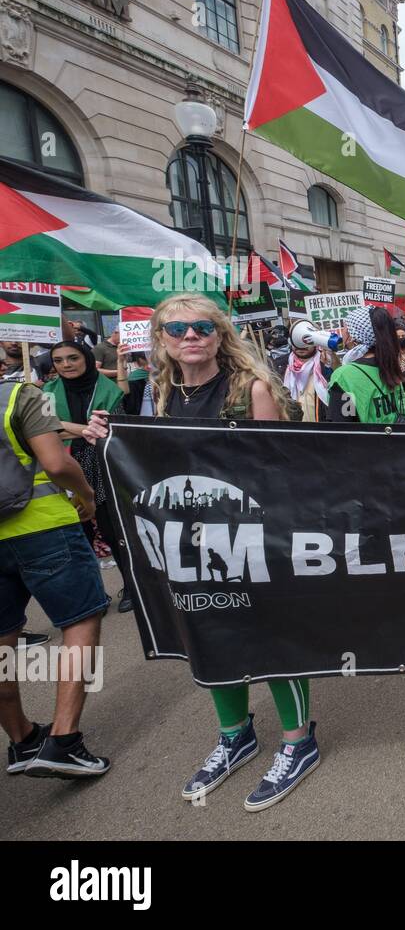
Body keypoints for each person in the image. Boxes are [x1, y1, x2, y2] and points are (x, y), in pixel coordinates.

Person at [88, 293, 318, 811]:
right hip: (188, 544)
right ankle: (235, 734)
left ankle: (297, 740)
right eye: (177, 330)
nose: (190, 336)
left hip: (250, 540)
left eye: (201, 327)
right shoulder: (160, 396)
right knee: (210, 632)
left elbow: (280, 469)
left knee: (273, 637)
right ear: (162, 343)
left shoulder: (251, 388)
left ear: (219, 336)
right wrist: (110, 438)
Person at [0, 373, 110, 779]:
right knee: (80, 622)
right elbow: (56, 463)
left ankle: (22, 738)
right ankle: (64, 740)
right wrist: (88, 497)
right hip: (43, 528)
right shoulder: (21, 394)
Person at [43, 340, 125, 580]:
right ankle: (94, 595)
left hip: (102, 464)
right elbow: (45, 429)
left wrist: (62, 427)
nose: (65, 365)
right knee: (79, 535)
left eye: (73, 358)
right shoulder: (48, 391)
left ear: (87, 359)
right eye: (58, 360)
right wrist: (85, 429)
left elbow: (113, 428)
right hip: (64, 464)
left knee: (112, 530)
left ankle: (131, 587)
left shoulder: (110, 389)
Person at [328, 307, 405, 424]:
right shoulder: (390, 364)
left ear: (354, 336)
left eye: (346, 328)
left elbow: (343, 430)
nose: (343, 332)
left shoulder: (343, 376)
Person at [279, 335, 334, 423]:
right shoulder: (280, 368)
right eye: (296, 341)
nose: (300, 346)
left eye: (306, 341)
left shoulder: (326, 366)